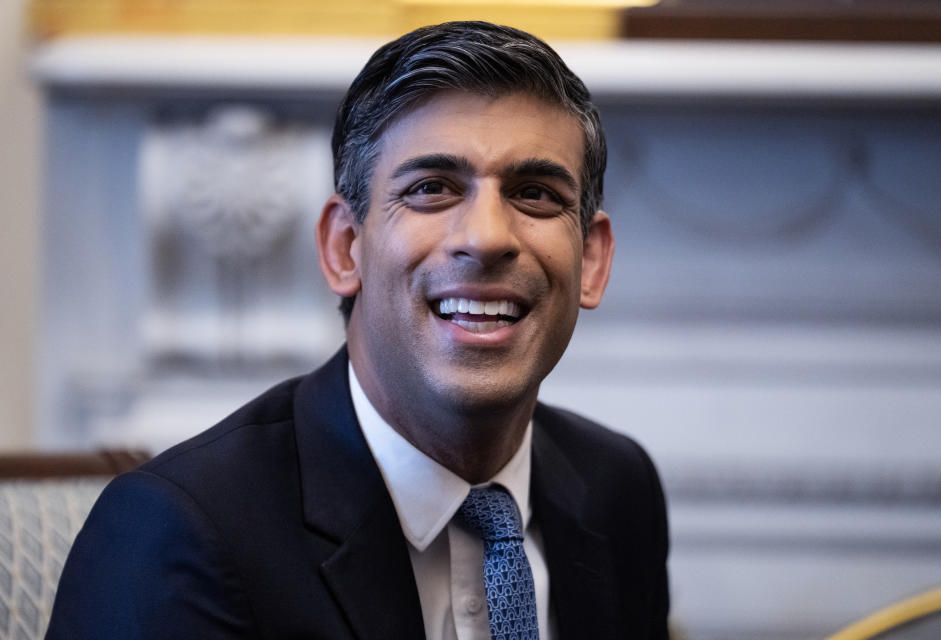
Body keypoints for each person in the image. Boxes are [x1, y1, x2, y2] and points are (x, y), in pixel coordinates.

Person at [46, 21, 669, 640]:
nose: (486, 239)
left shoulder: (618, 488)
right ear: (345, 247)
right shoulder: (174, 537)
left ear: (591, 260)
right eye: (432, 189)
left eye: (534, 194)